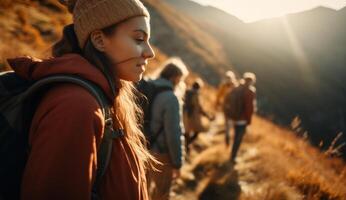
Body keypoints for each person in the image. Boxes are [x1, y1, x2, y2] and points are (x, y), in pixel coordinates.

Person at [7, 0, 156, 199]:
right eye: (139, 39)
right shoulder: (77, 107)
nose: (150, 52)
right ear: (99, 40)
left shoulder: (105, 96)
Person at [147, 58, 188, 200]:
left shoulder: (148, 87)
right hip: (161, 153)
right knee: (162, 193)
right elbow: (173, 133)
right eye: (180, 79)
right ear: (175, 77)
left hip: (141, 148)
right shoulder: (171, 98)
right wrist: (177, 162)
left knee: (141, 190)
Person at [225, 72, 257, 162]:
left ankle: (232, 154)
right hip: (242, 119)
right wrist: (249, 120)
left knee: (235, 136)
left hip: (234, 117)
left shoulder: (237, 88)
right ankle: (233, 157)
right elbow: (249, 108)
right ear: (251, 81)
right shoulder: (250, 91)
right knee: (238, 138)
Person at [183, 78, 212, 152]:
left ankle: (186, 146)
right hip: (193, 116)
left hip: (184, 114)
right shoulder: (196, 94)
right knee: (197, 131)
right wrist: (207, 115)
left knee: (186, 132)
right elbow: (199, 107)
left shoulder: (186, 91)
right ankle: (186, 146)